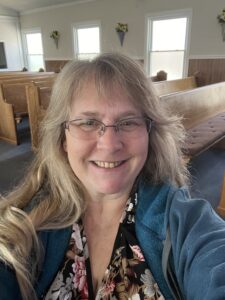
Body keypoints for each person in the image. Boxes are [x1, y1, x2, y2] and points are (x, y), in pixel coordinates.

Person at [0, 52, 225, 300]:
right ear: (63, 138)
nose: (109, 144)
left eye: (128, 122)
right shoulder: (27, 222)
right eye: (88, 122)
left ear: (150, 133)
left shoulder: (185, 221)